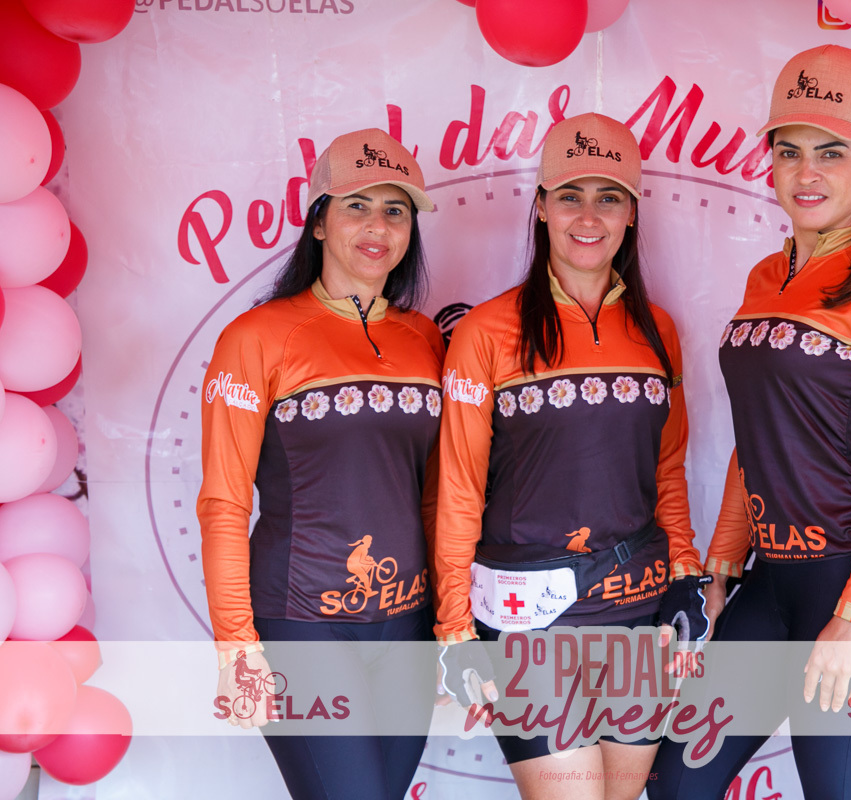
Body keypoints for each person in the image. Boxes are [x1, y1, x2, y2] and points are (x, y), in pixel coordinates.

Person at [650, 45, 851, 799]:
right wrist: (721, 566)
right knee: (678, 783)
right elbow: (758, 436)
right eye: (789, 152)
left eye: (830, 152)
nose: (806, 173)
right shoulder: (765, 277)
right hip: (772, 581)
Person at [433, 112, 709, 800]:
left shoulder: (658, 330)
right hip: (527, 616)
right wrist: (454, 627)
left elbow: (667, 470)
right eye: (570, 196)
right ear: (541, 206)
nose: (589, 217)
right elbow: (459, 488)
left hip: (637, 606)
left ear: (632, 213)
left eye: (609, 197)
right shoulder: (485, 332)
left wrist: (685, 574)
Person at [197, 127, 444, 800]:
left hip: (409, 625)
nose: (377, 226)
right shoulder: (256, 338)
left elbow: (435, 495)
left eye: (395, 210)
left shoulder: (424, 339)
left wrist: (450, 621)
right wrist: (236, 646)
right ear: (318, 222)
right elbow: (223, 503)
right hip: (300, 622)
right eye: (356, 206)